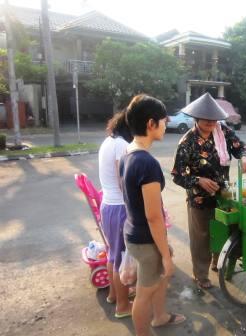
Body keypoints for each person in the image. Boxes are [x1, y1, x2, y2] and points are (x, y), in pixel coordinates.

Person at [171, 92, 246, 289]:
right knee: (201, 237)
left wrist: (244, 157)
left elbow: (242, 147)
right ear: (197, 118)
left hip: (223, 195)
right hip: (199, 199)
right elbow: (178, 175)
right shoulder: (187, 142)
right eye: (206, 119)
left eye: (213, 119)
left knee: (222, 231)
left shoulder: (222, 131)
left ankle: (219, 262)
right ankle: (201, 275)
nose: (210, 122)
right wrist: (199, 180)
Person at [120, 94, 186, 336]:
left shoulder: (128, 153)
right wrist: (166, 257)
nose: (166, 124)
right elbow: (153, 216)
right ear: (151, 124)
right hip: (145, 239)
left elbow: (126, 194)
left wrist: (164, 251)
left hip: (135, 232)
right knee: (144, 293)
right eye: (164, 120)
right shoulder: (147, 163)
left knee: (157, 280)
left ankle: (160, 318)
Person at [98, 110, 133, 318]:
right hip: (120, 207)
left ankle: (113, 295)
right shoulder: (121, 144)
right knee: (121, 258)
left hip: (108, 206)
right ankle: (122, 306)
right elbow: (123, 182)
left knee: (113, 254)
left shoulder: (108, 142)